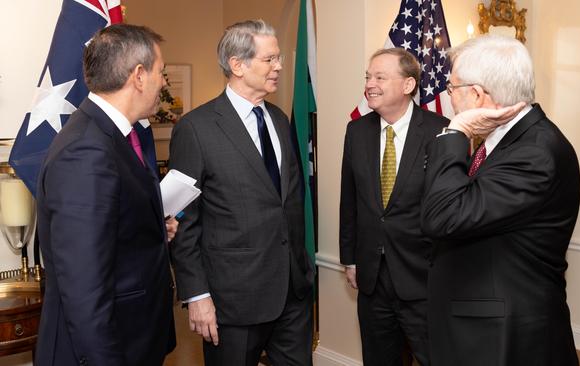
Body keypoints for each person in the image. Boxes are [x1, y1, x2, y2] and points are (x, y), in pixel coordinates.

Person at [420, 34, 580, 365]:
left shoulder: (535, 152)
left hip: (505, 336)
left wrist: (455, 132)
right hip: (480, 324)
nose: (448, 98)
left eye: (451, 89)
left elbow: (443, 217)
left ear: (477, 95)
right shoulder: (505, 139)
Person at [168, 19, 314, 366]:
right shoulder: (196, 129)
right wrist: (197, 294)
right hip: (232, 300)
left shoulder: (279, 119)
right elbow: (184, 221)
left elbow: (288, 202)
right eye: (269, 59)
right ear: (237, 64)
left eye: (278, 58)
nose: (279, 66)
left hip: (292, 292)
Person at [35, 24, 177, 366]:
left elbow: (109, 229)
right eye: (161, 72)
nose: (164, 83)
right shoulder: (86, 150)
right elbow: (84, 288)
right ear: (139, 76)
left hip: (135, 337)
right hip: (107, 348)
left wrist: (152, 229)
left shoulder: (112, 136)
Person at [339, 48, 448, 365]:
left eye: (380, 77)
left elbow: (450, 209)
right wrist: (350, 258)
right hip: (372, 279)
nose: (370, 84)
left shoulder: (441, 131)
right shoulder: (357, 131)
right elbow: (350, 200)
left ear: (408, 85)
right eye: (368, 77)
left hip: (423, 277)